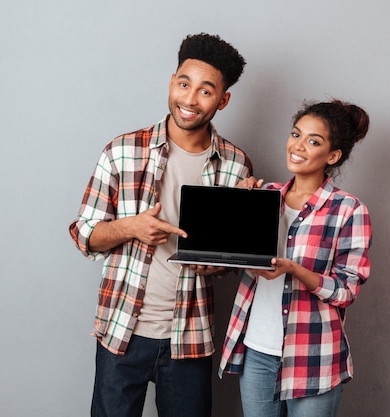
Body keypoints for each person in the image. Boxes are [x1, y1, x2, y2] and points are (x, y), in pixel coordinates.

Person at [68, 33, 252, 417]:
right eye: (184, 84)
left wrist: (217, 262)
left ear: (223, 100)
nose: (189, 99)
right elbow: (84, 234)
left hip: (189, 336)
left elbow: (228, 260)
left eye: (205, 91)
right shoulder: (122, 150)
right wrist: (130, 227)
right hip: (122, 330)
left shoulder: (236, 165)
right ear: (172, 81)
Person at [219, 99, 372, 417]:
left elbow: (346, 291)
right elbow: (231, 260)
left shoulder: (348, 210)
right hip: (257, 350)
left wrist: (294, 270)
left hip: (313, 357)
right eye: (296, 134)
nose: (298, 146)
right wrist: (238, 207)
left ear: (332, 156)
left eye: (313, 141)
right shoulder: (264, 196)